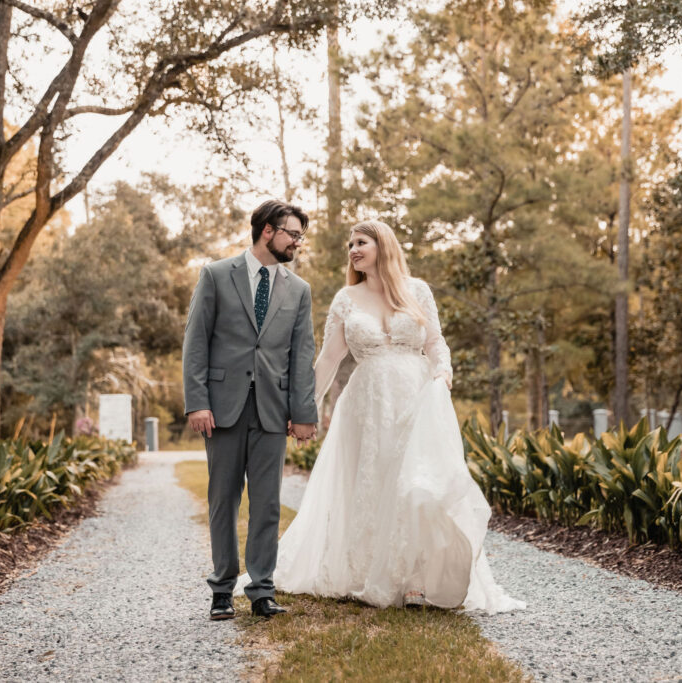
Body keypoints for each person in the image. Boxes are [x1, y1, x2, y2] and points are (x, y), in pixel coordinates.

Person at [273, 220, 525, 613]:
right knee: (374, 481)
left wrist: (443, 373)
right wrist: (303, 407)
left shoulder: (418, 290)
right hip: (368, 403)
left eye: (361, 242)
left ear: (382, 245)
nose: (353, 250)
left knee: (416, 482)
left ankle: (415, 580)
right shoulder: (346, 298)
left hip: (416, 397)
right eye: (350, 244)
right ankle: (367, 571)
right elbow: (328, 359)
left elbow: (436, 343)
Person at [182, 199, 319, 621]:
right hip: (222, 408)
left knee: (268, 503)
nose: (298, 242)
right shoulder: (217, 274)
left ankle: (261, 590)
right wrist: (198, 401)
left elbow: (302, 354)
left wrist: (304, 412)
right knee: (223, 499)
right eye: (292, 233)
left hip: (273, 411)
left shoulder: (299, 289)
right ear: (267, 231)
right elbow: (196, 342)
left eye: (300, 235)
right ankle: (222, 589)